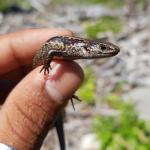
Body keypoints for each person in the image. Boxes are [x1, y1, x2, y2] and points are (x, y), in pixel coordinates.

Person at [0, 29, 84, 150]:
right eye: (102, 48)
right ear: (88, 48)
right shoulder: (75, 48)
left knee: (58, 112)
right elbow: (52, 51)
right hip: (35, 68)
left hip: (33, 71)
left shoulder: (76, 48)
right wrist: (46, 65)